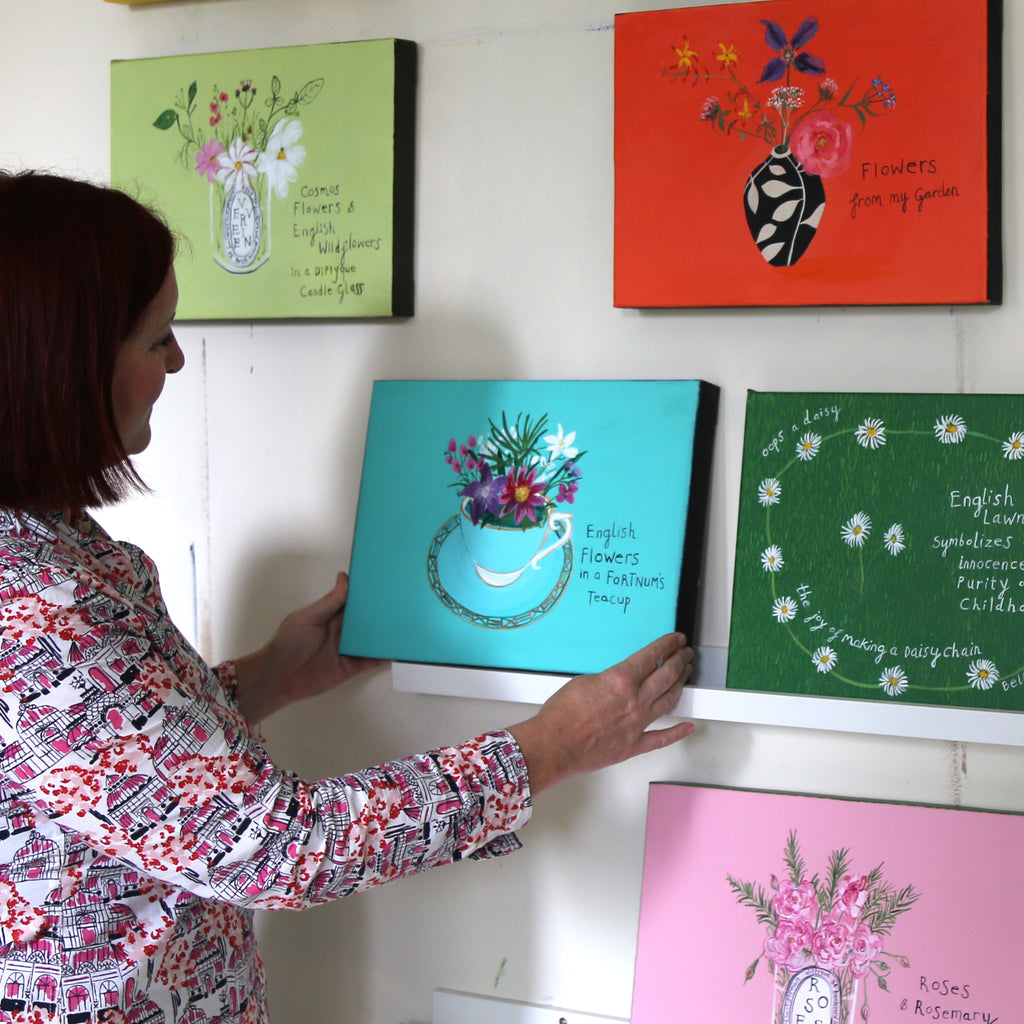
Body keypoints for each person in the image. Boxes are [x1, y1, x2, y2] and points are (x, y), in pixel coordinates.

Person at [0, 170, 695, 1023]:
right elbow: (275, 846)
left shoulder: (55, 543)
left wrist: (267, 679)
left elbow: (103, 764)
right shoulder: (34, 610)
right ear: (61, 366)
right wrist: (552, 744)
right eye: (155, 338)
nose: (178, 358)